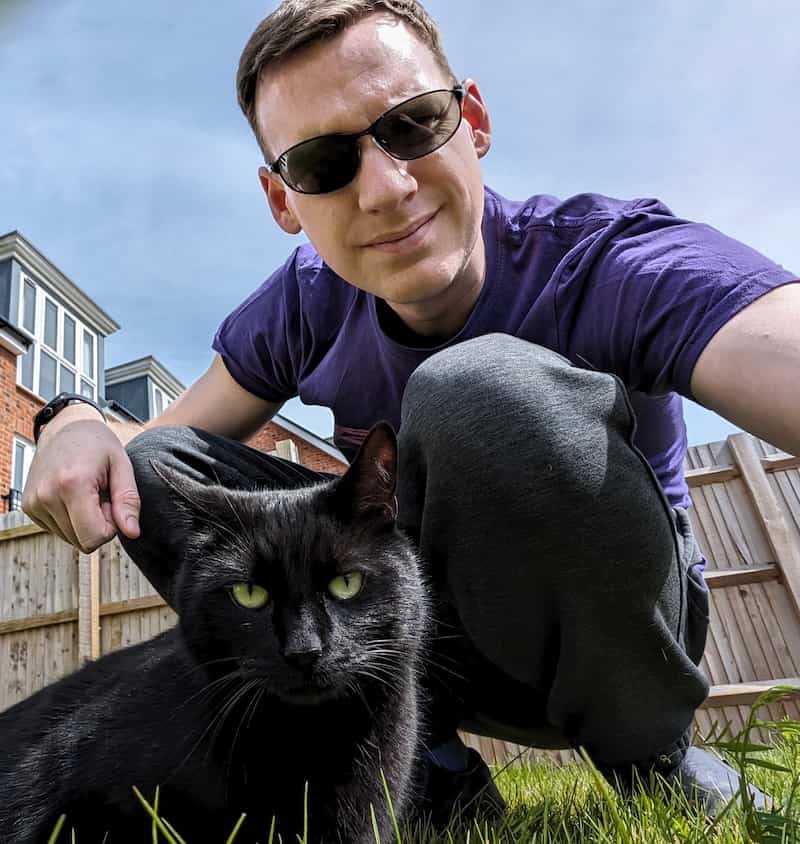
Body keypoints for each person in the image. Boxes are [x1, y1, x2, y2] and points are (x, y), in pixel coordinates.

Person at [23, 0, 799, 824]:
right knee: (157, 470)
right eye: (324, 164)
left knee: (475, 390)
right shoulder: (304, 304)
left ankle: (651, 755)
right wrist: (68, 417)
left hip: (621, 629)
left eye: (414, 123)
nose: (386, 190)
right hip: (409, 641)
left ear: (474, 118)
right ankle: (424, 762)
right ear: (283, 200)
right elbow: (151, 456)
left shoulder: (608, 260)